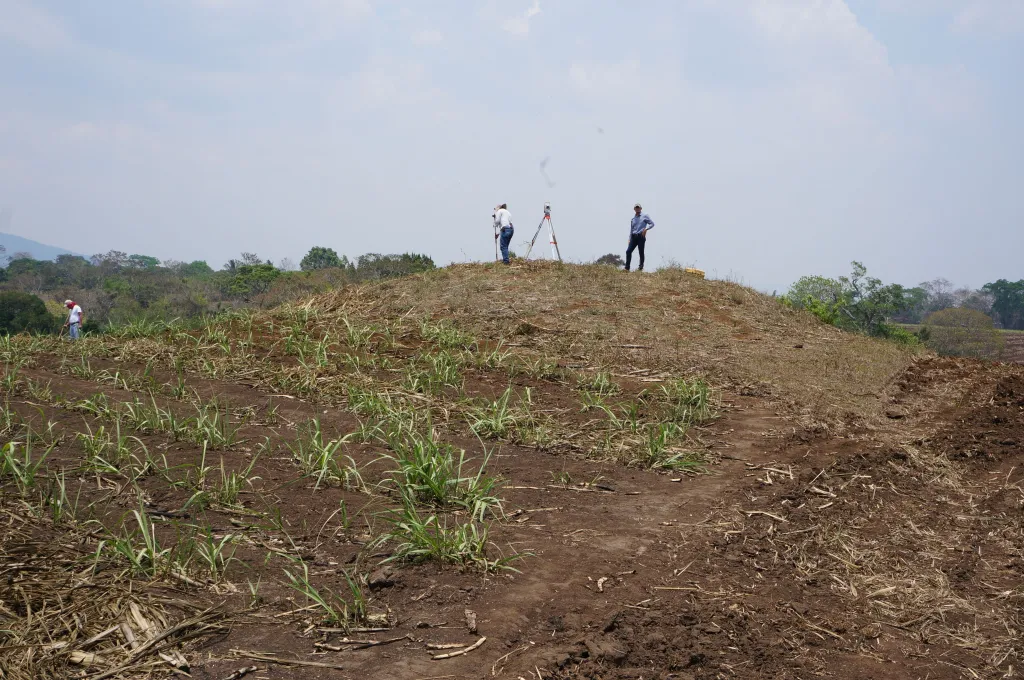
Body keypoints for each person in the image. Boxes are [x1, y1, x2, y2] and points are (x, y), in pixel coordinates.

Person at [625, 202, 654, 272]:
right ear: (634, 209)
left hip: (641, 236)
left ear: (641, 208)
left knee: (641, 252)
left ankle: (640, 267)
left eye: (638, 207)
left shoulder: (645, 216)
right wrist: (629, 238)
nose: (637, 209)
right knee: (628, 251)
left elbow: (652, 224)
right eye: (636, 208)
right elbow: (631, 230)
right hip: (633, 237)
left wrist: (646, 229)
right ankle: (627, 268)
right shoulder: (633, 219)